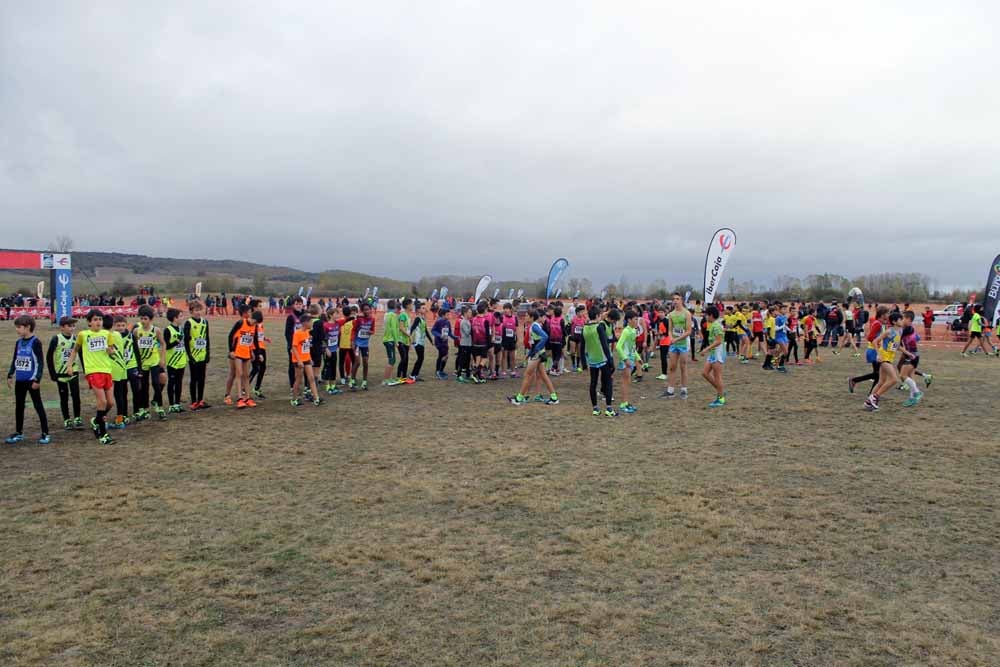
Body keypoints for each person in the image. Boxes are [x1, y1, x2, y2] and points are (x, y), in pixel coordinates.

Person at [67, 309, 116, 444]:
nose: (98, 322)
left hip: (106, 370)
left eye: (100, 319)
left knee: (110, 402)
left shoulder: (107, 334)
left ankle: (96, 420)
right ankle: (103, 434)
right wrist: (69, 365)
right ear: (89, 322)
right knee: (102, 402)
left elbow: (112, 352)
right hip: (93, 371)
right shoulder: (83, 334)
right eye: (95, 319)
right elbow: (75, 350)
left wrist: (110, 351)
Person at [6, 315, 51, 444]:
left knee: (38, 406)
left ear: (28, 327)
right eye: (17, 327)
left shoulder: (36, 342)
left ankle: (45, 433)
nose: (17, 330)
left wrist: (37, 379)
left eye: (19, 327)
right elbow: (15, 359)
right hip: (20, 381)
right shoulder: (18, 342)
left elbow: (40, 362)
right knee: (19, 407)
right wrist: (10, 374)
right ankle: (19, 433)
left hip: (31, 381)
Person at [508, 308, 559, 406]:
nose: (525, 317)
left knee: (527, 375)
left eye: (527, 315)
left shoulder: (534, 326)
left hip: (537, 354)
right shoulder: (534, 325)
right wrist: (531, 352)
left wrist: (535, 350)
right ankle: (554, 397)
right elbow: (536, 340)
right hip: (538, 353)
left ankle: (519, 398)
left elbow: (545, 337)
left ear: (532, 317)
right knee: (543, 376)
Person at [865, 312, 907, 412]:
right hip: (884, 358)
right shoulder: (889, 331)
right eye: (900, 319)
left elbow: (896, 346)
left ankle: (868, 402)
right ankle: (874, 398)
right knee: (894, 380)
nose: (902, 321)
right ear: (894, 322)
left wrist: (907, 353)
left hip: (890, 358)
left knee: (881, 382)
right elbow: (875, 341)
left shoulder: (900, 331)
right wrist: (878, 354)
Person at [132, 305, 168, 420]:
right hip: (142, 363)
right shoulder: (136, 331)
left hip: (154, 362)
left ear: (151, 319)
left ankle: (159, 407)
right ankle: (145, 409)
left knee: (156, 384)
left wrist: (162, 359)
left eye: (145, 319)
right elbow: (133, 346)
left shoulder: (156, 330)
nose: (143, 321)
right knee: (144, 386)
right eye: (141, 318)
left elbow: (163, 344)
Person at [47, 316, 83, 430]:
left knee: (76, 396)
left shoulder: (76, 339)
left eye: (73, 326)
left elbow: (81, 355)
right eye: (69, 326)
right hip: (60, 374)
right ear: (62, 327)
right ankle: (67, 419)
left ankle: (77, 417)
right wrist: (53, 373)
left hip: (74, 372)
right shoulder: (56, 339)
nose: (72, 328)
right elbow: (49, 357)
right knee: (64, 397)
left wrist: (86, 370)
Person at [580, 306, 615, 416]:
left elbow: (582, 347)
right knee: (608, 383)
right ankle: (609, 409)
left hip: (592, 360)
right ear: (596, 316)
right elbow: (605, 345)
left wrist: (584, 363)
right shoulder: (599, 327)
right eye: (600, 315)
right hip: (602, 359)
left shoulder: (584, 328)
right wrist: (610, 360)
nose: (601, 317)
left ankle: (595, 408)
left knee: (593, 383)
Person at [227, 304, 260, 409]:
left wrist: (254, 352)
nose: (255, 324)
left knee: (246, 375)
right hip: (237, 353)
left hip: (247, 353)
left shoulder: (254, 326)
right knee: (238, 374)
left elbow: (252, 340)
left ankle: (248, 397)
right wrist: (231, 351)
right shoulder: (240, 323)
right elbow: (230, 335)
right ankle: (239, 398)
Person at [661, 293, 692, 399]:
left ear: (681, 300)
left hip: (683, 343)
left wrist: (677, 339)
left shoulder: (687, 314)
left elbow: (689, 331)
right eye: (674, 299)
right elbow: (670, 329)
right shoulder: (671, 314)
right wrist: (671, 338)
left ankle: (684, 389)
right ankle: (670, 390)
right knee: (672, 366)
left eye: (677, 299)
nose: (675, 301)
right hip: (674, 344)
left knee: (683, 367)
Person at [291, 310, 322, 407]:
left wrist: (309, 358)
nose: (312, 323)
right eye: (310, 322)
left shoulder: (307, 333)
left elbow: (306, 347)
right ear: (305, 323)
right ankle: (294, 399)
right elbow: (294, 347)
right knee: (298, 380)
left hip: (306, 359)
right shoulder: (297, 333)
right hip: (298, 360)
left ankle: (316, 398)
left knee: (311, 378)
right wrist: (299, 360)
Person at [897, 310, 928, 407]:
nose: (901, 321)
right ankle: (912, 398)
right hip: (913, 355)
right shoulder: (908, 328)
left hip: (912, 356)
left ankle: (917, 392)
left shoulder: (907, 329)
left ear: (909, 320)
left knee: (903, 376)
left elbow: (897, 344)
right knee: (910, 377)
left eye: (903, 318)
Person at [184, 300, 211, 409]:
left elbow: (207, 338)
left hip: (202, 355)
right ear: (191, 311)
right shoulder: (189, 323)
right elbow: (186, 341)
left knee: (202, 378)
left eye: (200, 310)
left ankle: (200, 400)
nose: (198, 312)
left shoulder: (205, 322)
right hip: (193, 356)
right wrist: (189, 356)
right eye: (196, 310)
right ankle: (193, 401)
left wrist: (208, 353)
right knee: (194, 378)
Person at [615, 309, 642, 414]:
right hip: (626, 360)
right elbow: (618, 346)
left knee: (628, 382)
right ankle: (623, 403)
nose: (637, 321)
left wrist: (638, 358)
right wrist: (625, 359)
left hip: (630, 358)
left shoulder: (633, 331)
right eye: (635, 319)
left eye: (637, 319)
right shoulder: (626, 331)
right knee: (625, 382)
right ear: (629, 320)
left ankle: (626, 402)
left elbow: (632, 347)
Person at [163, 307, 188, 413]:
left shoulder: (181, 329)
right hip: (172, 361)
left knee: (179, 383)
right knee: (172, 382)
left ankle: (177, 403)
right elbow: (166, 346)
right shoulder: (168, 330)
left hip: (182, 360)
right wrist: (176, 341)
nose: (183, 318)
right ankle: (171, 404)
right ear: (175, 318)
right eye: (181, 316)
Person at [701, 305, 726, 408]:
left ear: (711, 315)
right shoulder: (713, 325)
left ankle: (720, 399)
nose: (705, 316)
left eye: (706, 314)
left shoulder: (716, 326)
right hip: (713, 353)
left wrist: (706, 349)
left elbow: (719, 341)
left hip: (718, 353)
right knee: (704, 373)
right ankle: (721, 391)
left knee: (717, 376)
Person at [284, 296, 305, 397]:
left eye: (300, 304)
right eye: (297, 304)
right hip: (294, 346)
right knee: (292, 366)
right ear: (293, 305)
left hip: (304, 346)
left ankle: (303, 386)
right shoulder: (291, 317)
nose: (298, 306)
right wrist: (291, 346)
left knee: (304, 365)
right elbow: (287, 333)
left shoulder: (305, 316)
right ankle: (293, 386)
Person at [352, 301, 375, 390]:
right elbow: (354, 330)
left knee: (365, 362)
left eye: (368, 309)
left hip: (365, 345)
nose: (367, 311)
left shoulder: (372, 319)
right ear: (362, 310)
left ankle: (364, 381)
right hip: (357, 344)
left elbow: (373, 330)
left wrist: (370, 332)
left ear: (370, 310)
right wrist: (352, 342)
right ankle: (352, 380)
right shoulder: (359, 319)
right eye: (365, 310)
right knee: (357, 362)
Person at [246, 310, 268, 398]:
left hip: (262, 347)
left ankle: (257, 388)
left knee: (263, 368)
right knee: (256, 368)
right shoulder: (253, 325)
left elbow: (259, 335)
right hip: (256, 348)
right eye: (259, 306)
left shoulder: (260, 324)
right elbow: (253, 338)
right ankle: (245, 387)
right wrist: (256, 352)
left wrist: (265, 338)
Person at [322, 307, 342, 394]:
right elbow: (323, 339)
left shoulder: (337, 324)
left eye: (338, 313)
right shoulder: (325, 325)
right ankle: (327, 387)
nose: (338, 315)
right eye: (336, 313)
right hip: (328, 351)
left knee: (334, 367)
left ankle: (333, 386)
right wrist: (326, 349)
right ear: (330, 315)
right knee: (327, 368)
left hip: (334, 350)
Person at [381, 299, 399, 385]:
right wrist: (396, 341)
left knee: (392, 360)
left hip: (386, 339)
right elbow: (394, 329)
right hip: (390, 340)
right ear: (395, 307)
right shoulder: (393, 315)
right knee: (391, 360)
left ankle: (390, 378)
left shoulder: (386, 314)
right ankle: (385, 379)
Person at [432, 305, 452, 380]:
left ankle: (441, 370)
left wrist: (455, 337)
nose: (449, 316)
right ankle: (438, 371)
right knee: (442, 356)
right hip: (439, 342)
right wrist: (440, 335)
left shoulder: (448, 322)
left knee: (446, 356)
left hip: (445, 342)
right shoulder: (438, 321)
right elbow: (433, 331)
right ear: (443, 315)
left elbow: (449, 333)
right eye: (448, 314)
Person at [501, 303, 519, 378]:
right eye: (504, 308)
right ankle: (504, 372)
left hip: (512, 339)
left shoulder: (515, 318)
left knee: (512, 356)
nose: (505, 310)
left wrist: (517, 340)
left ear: (510, 309)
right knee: (504, 356)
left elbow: (516, 330)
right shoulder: (502, 317)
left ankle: (513, 371)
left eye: (507, 308)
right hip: (504, 339)